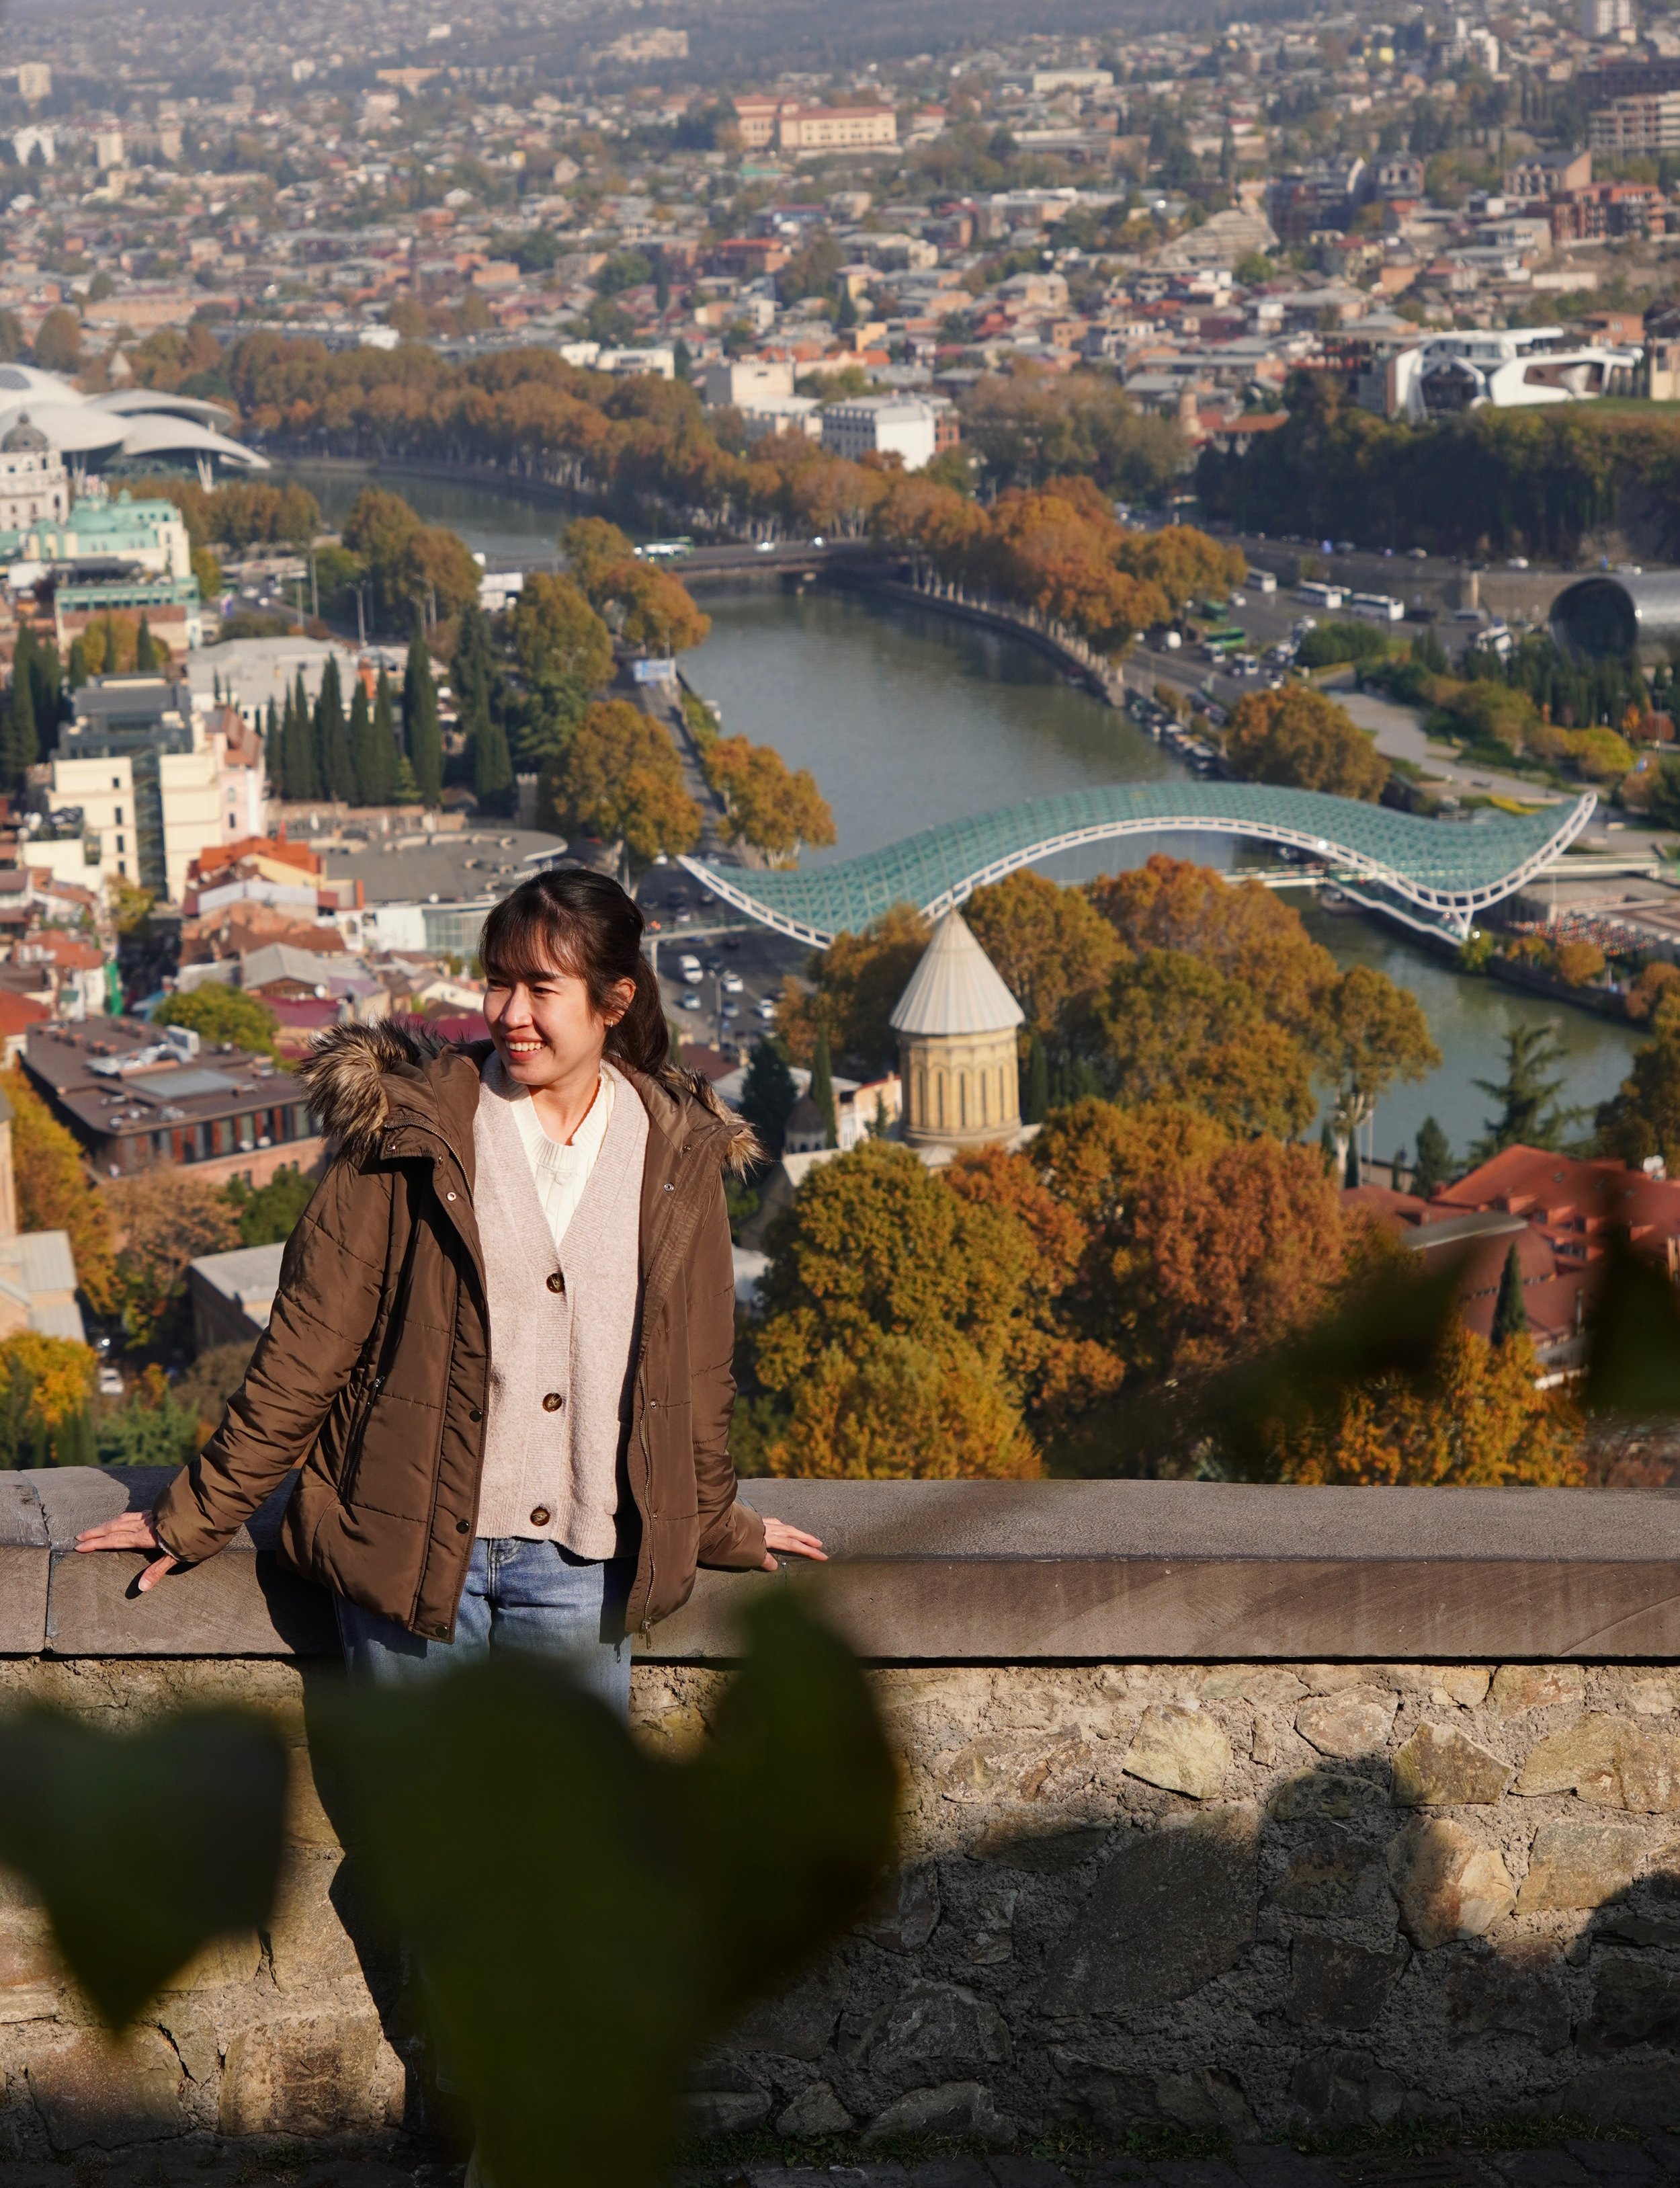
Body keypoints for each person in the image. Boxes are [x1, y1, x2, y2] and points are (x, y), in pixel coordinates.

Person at [75, 868, 823, 1710]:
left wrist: (714, 1518)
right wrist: (198, 1513)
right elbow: (309, 1345)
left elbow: (695, 1373)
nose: (509, 1013)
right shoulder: (408, 1131)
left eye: (541, 988)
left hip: (587, 1563)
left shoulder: (677, 1156)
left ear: (614, 1001)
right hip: (412, 1546)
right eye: (497, 983)